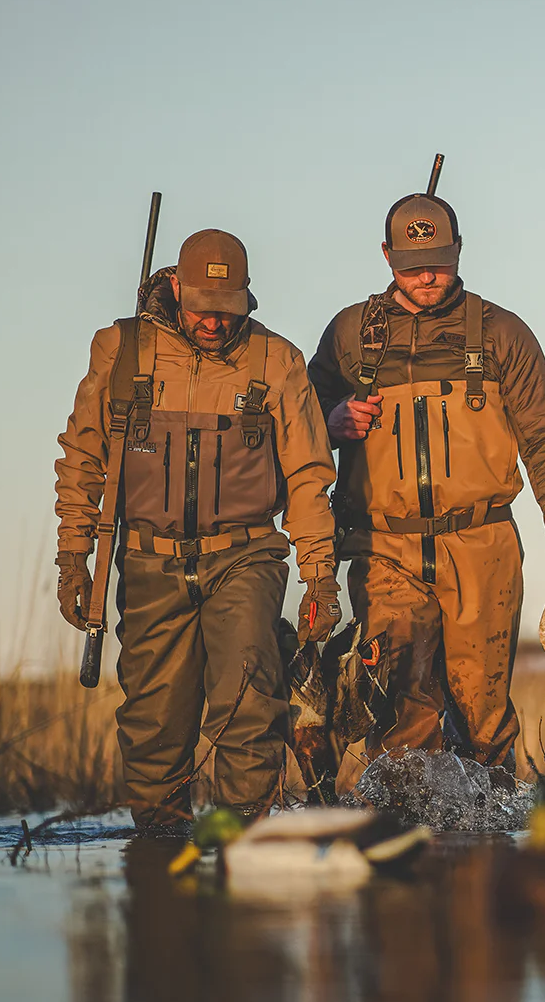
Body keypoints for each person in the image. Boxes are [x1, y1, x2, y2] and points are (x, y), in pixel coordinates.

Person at [54, 229, 341, 827]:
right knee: (153, 725)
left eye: (228, 311)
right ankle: (161, 857)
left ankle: (246, 840)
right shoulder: (120, 350)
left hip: (245, 558)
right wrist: (74, 560)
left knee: (246, 707)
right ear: (176, 287)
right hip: (146, 561)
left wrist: (319, 581)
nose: (214, 323)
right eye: (202, 310)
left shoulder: (276, 360)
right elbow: (82, 458)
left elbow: (310, 477)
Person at [307, 191, 545, 771]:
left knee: (483, 724)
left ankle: (488, 837)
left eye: (438, 259)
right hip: (384, 548)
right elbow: (298, 431)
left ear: (459, 249)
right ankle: (414, 842)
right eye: (411, 265)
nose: (427, 275)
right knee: (402, 718)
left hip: (482, 547)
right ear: (386, 256)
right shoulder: (349, 335)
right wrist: (332, 423)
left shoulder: (503, 334)